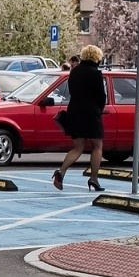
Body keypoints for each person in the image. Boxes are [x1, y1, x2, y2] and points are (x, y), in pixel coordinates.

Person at [53, 45, 106, 191]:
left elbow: (71, 91)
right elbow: (101, 96)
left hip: (74, 111)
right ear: (96, 57)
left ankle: (61, 171)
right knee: (97, 146)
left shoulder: (74, 71)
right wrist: (99, 110)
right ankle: (94, 179)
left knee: (78, 147)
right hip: (91, 112)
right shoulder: (96, 73)